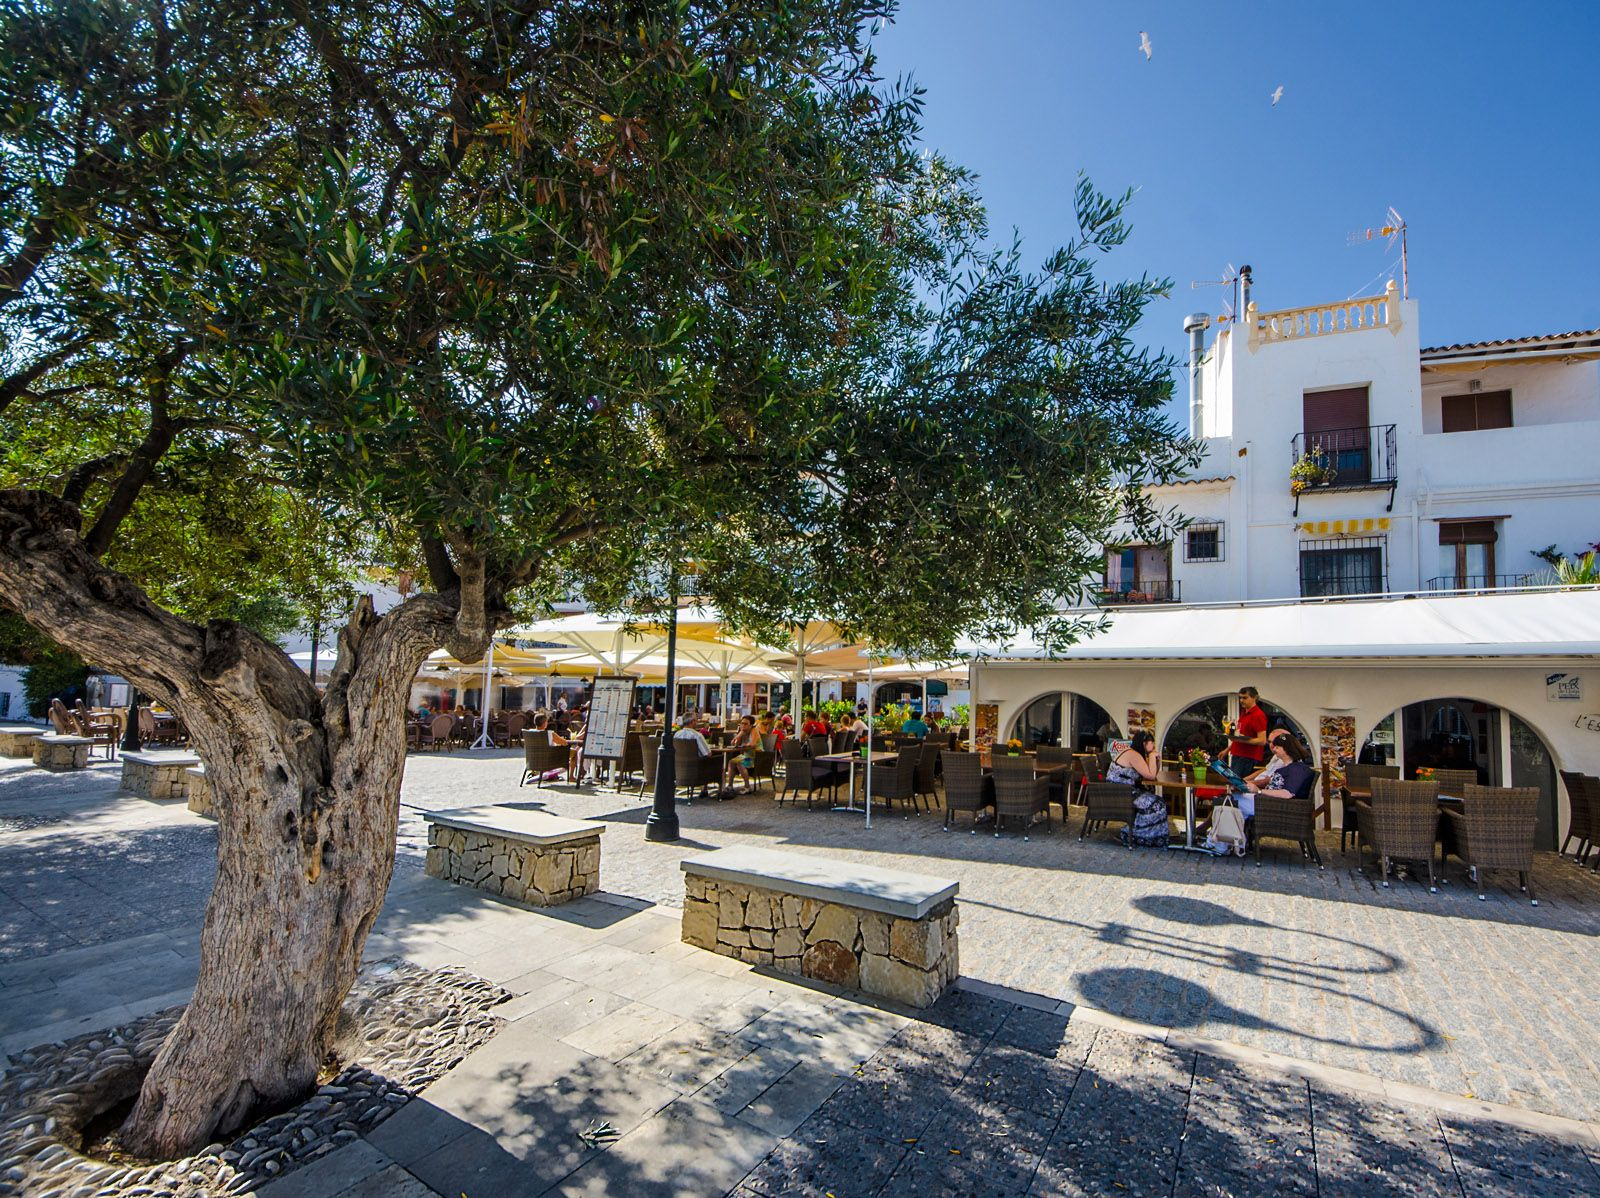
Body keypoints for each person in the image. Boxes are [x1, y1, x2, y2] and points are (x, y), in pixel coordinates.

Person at [1106, 730, 1170, 848]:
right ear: (1144, 743)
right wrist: (1152, 756)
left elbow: (1152, 773)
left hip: (1124, 790)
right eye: (1152, 743)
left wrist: (1156, 759)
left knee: (1158, 801)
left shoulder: (1135, 753)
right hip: (1120, 792)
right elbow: (1151, 775)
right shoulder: (1133, 755)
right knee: (1156, 804)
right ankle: (1139, 835)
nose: (1154, 746)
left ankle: (1151, 835)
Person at [1239, 732, 1315, 820]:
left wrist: (1259, 791)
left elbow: (1287, 794)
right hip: (1266, 803)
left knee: (1233, 801)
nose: (1274, 749)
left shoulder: (1298, 769)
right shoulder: (1287, 768)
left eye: (1277, 747)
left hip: (1274, 808)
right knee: (1232, 799)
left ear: (1287, 749)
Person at [1225, 687, 1269, 776]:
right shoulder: (1244, 713)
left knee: (1237, 782)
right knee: (1233, 780)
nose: (1241, 700)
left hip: (1247, 757)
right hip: (1238, 754)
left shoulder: (1258, 715)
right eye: (1240, 698)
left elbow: (1262, 740)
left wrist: (1241, 740)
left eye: (1245, 698)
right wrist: (1227, 750)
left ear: (1254, 698)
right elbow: (1240, 736)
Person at [724, 715, 757, 792]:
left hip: (756, 756)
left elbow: (753, 744)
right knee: (731, 762)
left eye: (746, 724)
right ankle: (730, 785)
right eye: (742, 723)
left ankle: (747, 787)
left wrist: (745, 745)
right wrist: (738, 737)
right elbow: (735, 744)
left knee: (739, 762)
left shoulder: (754, 730)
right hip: (745, 755)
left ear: (751, 725)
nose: (743, 725)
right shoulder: (742, 731)